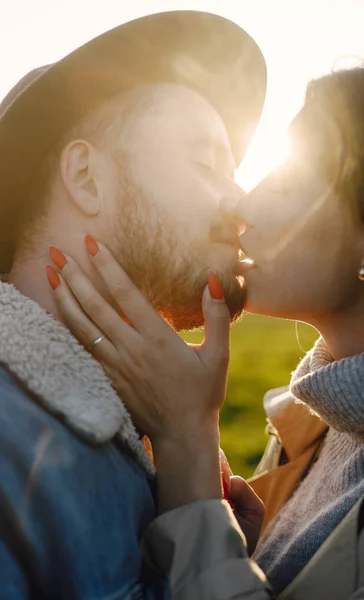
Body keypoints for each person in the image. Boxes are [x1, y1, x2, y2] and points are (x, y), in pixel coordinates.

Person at [0, 10, 267, 598]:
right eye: (207, 163)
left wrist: (202, 520)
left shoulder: (144, 442)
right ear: (86, 177)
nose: (240, 200)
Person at [51, 66, 364, 599]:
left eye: (288, 183)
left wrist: (188, 442)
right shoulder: (312, 423)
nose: (241, 205)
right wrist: (245, 548)